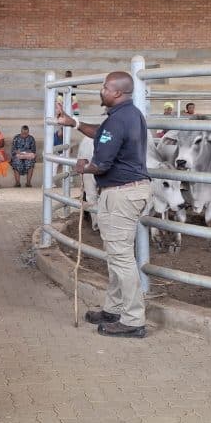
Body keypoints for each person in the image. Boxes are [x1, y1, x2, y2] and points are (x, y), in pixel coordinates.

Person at [56, 71, 150, 338]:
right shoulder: (126, 116)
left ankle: (133, 319)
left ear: (117, 92)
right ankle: (114, 308)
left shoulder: (119, 120)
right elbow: (101, 133)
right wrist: (73, 123)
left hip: (121, 193)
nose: (102, 91)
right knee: (117, 255)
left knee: (121, 257)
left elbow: (102, 164)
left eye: (105, 87)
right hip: (127, 191)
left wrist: (84, 166)